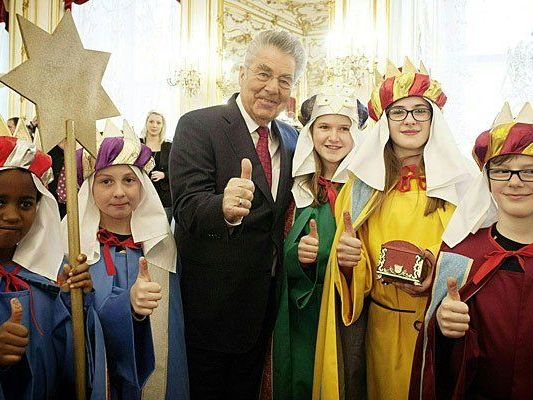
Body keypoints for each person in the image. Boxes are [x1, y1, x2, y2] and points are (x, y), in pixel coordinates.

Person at [313, 58, 476, 400]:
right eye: (398, 112)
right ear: (384, 121)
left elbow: (479, 256)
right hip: (383, 333)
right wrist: (347, 261)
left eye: (420, 111)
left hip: (443, 331)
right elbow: (352, 281)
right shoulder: (361, 189)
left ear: (435, 119)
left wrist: (442, 278)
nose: (410, 121)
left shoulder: (464, 185)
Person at [170, 29, 306, 399]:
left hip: (269, 308)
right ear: (241, 73)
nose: (272, 88)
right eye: (263, 73)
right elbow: (186, 207)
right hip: (211, 309)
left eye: (284, 80)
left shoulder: (294, 140)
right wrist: (223, 208)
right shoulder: (199, 125)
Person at [410, 102, 533, 399]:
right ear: (487, 181)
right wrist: (443, 327)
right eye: (502, 171)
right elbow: (433, 361)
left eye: (529, 171)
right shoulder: (460, 254)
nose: (514, 182)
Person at [68, 120, 188, 399]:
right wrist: (126, 307)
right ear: (90, 189)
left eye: (129, 180)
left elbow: (170, 336)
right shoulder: (75, 252)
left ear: (142, 185)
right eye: (106, 181)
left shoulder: (161, 250)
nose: (119, 192)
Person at [269, 90, 368, 399]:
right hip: (302, 314)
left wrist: (354, 261)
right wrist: (299, 257)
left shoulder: (367, 192)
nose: (333, 138)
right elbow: (279, 254)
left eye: (344, 128)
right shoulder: (295, 187)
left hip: (347, 314)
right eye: (324, 127)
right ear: (310, 133)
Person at [0, 136, 106, 399]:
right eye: (0, 201)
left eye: (25, 204)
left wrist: (75, 303)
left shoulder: (50, 276)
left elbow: (72, 369)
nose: (12, 215)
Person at [141, 111, 173, 222]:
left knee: (164, 233)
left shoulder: (169, 146)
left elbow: (177, 171)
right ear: (146, 123)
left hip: (164, 198)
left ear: (162, 126)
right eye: (151, 121)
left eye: (158, 123)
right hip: (142, 196)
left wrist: (164, 174)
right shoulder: (138, 144)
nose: (154, 125)